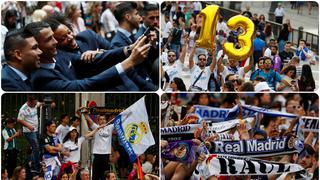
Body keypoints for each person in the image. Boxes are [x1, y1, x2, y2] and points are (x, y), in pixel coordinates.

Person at [26, 21, 150, 91]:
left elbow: (96, 60)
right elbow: (84, 85)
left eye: (54, 37)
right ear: (36, 45)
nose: (55, 42)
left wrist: (128, 49)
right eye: (49, 39)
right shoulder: (41, 77)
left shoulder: (61, 54)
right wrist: (130, 62)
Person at [82, 110, 114, 180]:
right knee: (95, 175)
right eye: (101, 119)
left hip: (106, 155)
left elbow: (120, 121)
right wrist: (84, 113)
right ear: (98, 121)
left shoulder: (110, 127)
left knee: (105, 175)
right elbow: (89, 120)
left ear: (106, 120)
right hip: (97, 155)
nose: (102, 121)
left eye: (104, 119)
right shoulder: (96, 127)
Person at [17, 95, 41, 175]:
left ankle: (31, 163)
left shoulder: (35, 104)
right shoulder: (23, 109)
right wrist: (28, 126)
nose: (35, 104)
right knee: (35, 146)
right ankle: (35, 167)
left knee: (34, 148)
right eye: (34, 103)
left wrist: (48, 104)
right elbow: (19, 120)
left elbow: (40, 104)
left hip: (36, 130)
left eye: (35, 103)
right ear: (29, 101)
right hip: (29, 131)